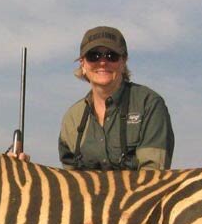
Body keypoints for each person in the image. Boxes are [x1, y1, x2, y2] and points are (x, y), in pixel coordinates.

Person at [57, 26, 173, 170]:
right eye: (94, 56)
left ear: (123, 62)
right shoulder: (73, 118)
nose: (103, 62)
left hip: (140, 192)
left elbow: (153, 176)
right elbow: (68, 181)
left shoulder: (148, 104)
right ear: (83, 64)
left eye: (111, 56)